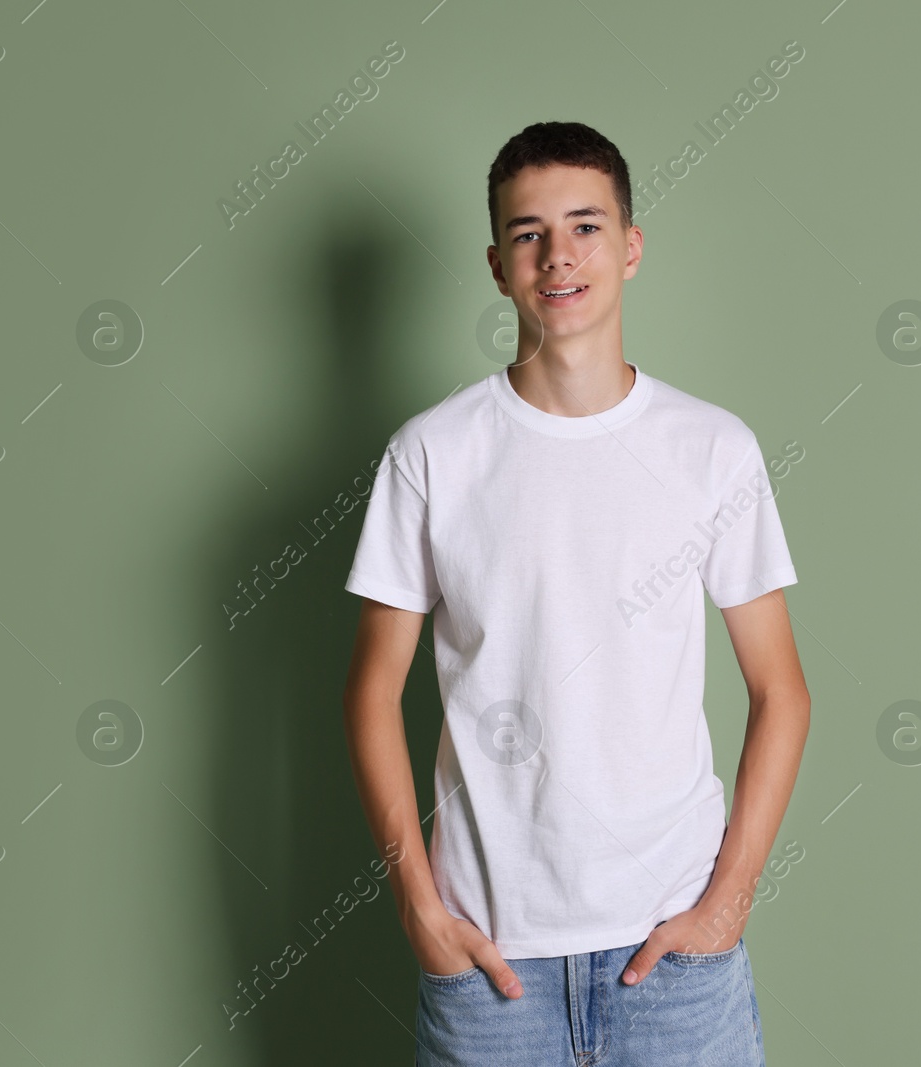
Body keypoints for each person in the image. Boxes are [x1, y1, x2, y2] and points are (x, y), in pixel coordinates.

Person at [340, 121, 810, 1065]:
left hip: (674, 960)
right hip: (490, 969)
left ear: (630, 247)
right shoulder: (431, 454)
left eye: (586, 226)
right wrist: (418, 909)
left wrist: (727, 904)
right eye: (528, 233)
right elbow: (370, 691)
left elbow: (782, 692)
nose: (559, 255)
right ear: (497, 263)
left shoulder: (713, 449)